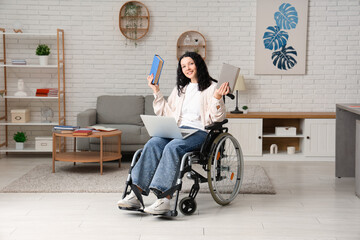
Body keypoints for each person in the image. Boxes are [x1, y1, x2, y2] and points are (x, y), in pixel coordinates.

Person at [117, 52, 229, 215]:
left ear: (198, 64)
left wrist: (218, 97)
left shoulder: (212, 87)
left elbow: (218, 117)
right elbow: (166, 113)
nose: (187, 68)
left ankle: (164, 198)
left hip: (200, 132)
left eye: (190, 64)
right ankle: (136, 193)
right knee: (153, 143)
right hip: (178, 129)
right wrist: (156, 91)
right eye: (183, 66)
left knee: (173, 147)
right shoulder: (180, 89)